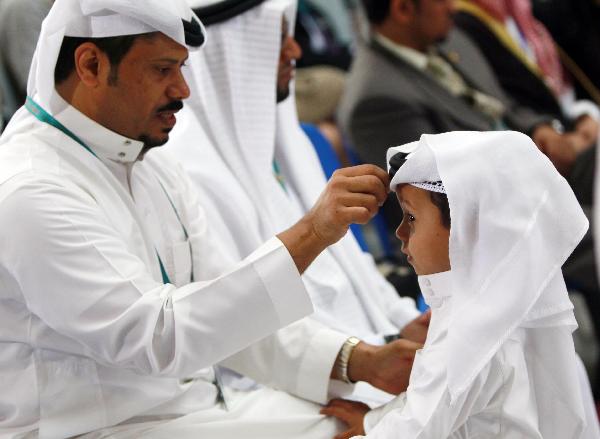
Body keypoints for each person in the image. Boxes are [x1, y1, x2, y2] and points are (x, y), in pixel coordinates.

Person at [0, 0, 421, 437]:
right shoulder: (31, 189)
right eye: (163, 70)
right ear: (90, 64)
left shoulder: (147, 162)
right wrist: (312, 233)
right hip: (101, 430)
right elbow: (161, 338)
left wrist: (358, 360)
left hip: (199, 412)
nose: (183, 89)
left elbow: (230, 312)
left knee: (400, 412)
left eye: (182, 68)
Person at [165, 0, 426, 406]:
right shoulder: (186, 168)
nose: (295, 52)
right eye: (278, 38)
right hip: (288, 385)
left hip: (364, 352)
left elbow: (350, 266)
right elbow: (237, 328)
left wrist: (403, 322)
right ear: (232, 50)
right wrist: (367, 357)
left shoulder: (287, 135)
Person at [323, 131, 591, 438]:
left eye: (411, 217)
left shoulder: (472, 329)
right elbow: (429, 403)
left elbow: (416, 429)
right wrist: (372, 421)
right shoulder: (508, 300)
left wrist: (369, 430)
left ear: (467, 227)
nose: (399, 232)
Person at [454, 0, 599, 181]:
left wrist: (585, 114)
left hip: (575, 130)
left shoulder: (524, 11)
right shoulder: (461, 23)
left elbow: (561, 85)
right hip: (539, 155)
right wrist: (548, 130)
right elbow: (506, 101)